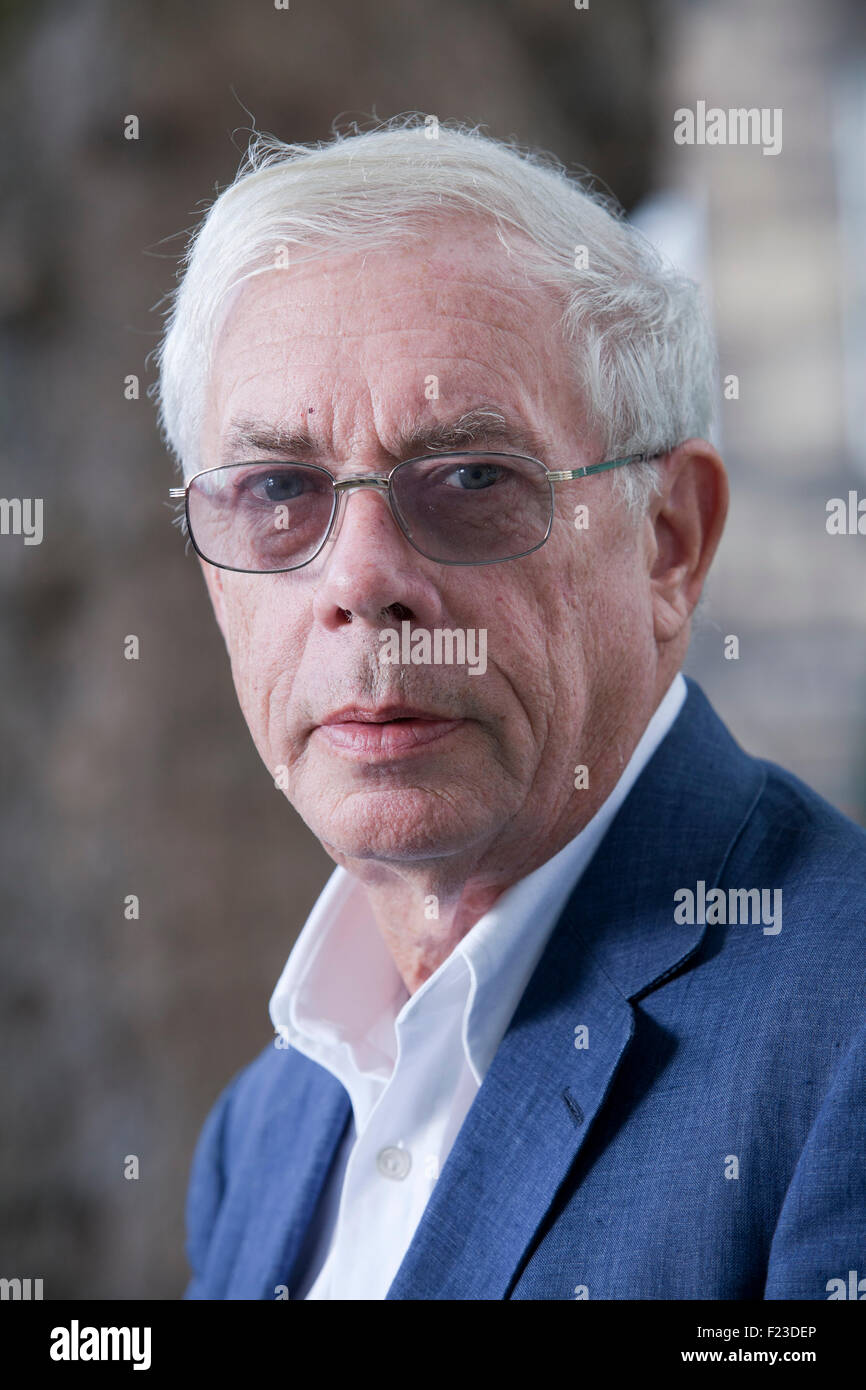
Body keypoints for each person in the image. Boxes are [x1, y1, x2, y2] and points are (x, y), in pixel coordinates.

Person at [156, 118, 866, 1300]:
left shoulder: (838, 1042)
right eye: (278, 490)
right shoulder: (264, 1132)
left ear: (667, 543)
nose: (360, 583)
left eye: (473, 479)